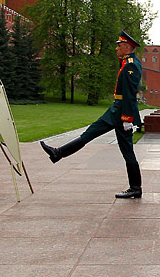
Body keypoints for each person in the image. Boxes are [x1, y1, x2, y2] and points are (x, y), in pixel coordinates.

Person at [40, 30, 144, 198]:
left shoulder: (131, 64)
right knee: (93, 135)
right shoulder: (127, 62)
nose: (116, 48)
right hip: (116, 110)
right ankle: (58, 153)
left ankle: (136, 188)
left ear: (126, 47)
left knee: (120, 148)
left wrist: (127, 118)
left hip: (120, 113)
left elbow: (130, 93)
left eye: (119, 45)